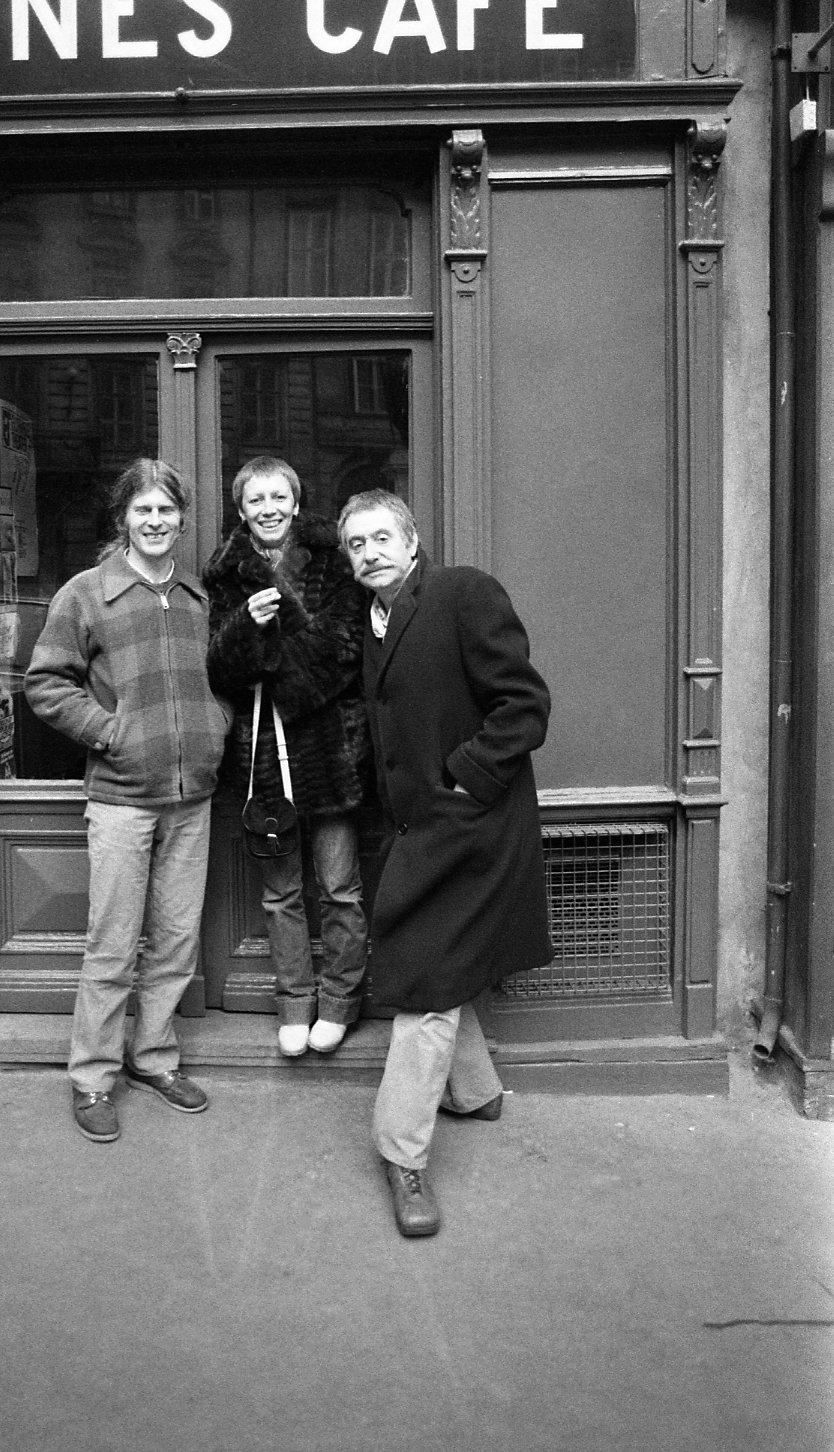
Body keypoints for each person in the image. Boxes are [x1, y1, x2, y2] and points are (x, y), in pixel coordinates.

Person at [338, 489, 552, 1237]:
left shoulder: (462, 591)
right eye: (355, 544)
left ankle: (403, 1155)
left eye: (380, 537)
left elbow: (524, 706)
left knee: (423, 981)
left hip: (477, 827)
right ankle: (475, 1091)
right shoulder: (373, 622)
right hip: (424, 832)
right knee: (436, 963)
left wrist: (463, 776)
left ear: (412, 538)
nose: (369, 552)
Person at [24, 459, 232, 1144]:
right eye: (142, 510)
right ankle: (92, 1078)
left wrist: (216, 728)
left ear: (181, 518)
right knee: (112, 945)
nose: (155, 521)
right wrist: (109, 730)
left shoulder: (199, 597)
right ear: (124, 519)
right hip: (120, 797)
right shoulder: (87, 594)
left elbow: (225, 680)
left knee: (175, 942)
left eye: (166, 510)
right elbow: (47, 684)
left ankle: (155, 1058)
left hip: (192, 797)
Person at [204, 457, 369, 1057]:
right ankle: (294, 1005)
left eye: (279, 496)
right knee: (280, 895)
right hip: (264, 759)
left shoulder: (333, 560)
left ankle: (340, 1003)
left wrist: (280, 638)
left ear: (296, 504)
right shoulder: (225, 577)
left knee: (340, 887)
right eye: (256, 499)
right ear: (241, 510)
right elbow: (218, 669)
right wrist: (246, 630)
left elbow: (344, 654)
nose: (268, 508)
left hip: (330, 751)